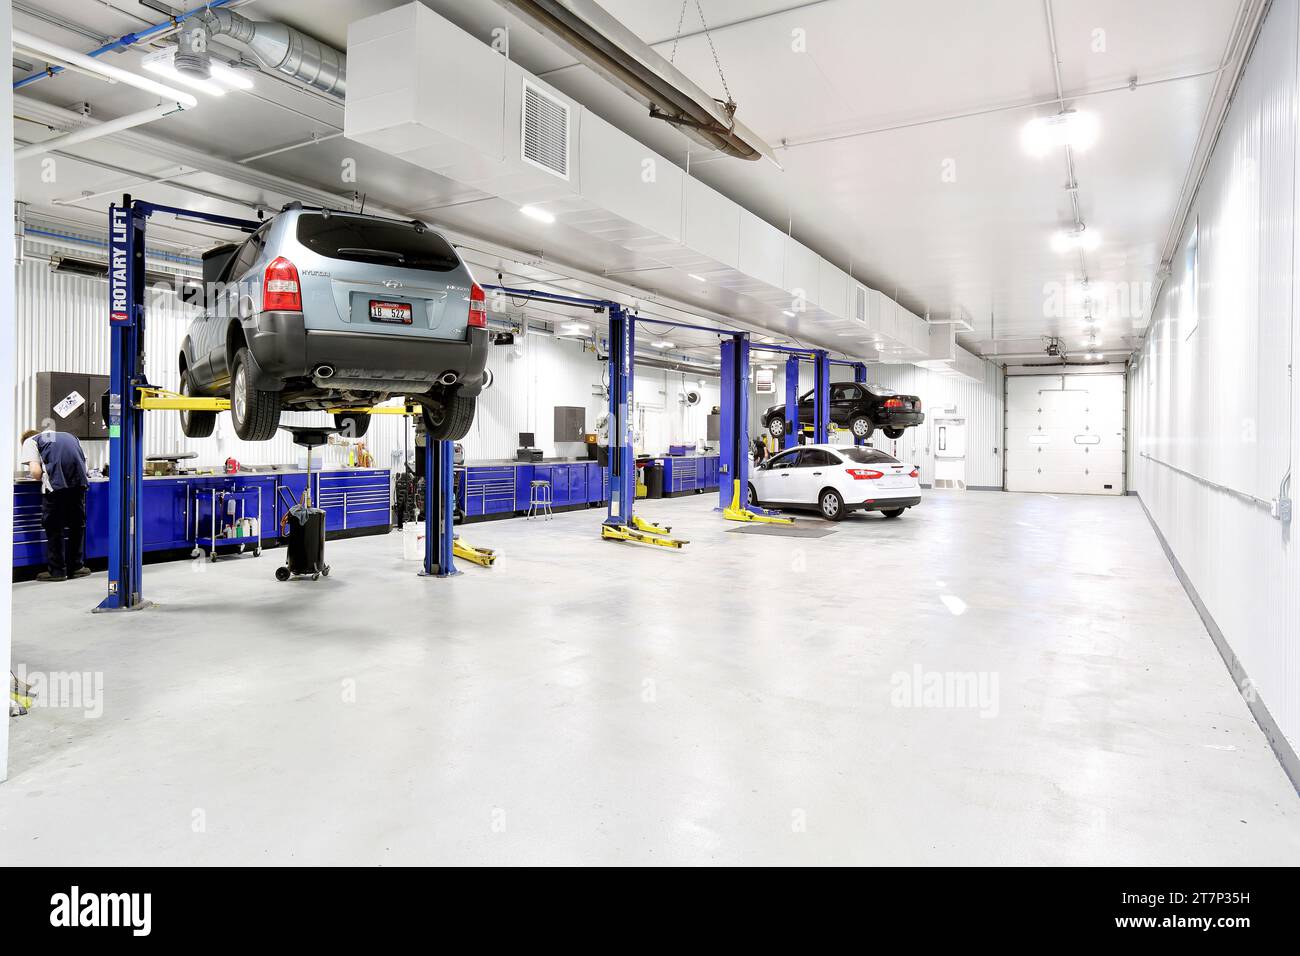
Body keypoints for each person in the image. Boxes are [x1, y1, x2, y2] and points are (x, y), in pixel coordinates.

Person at [20, 427, 90, 582]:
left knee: (54, 527)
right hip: (79, 484)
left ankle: (57, 571)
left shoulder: (30, 441)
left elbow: (36, 472)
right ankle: (77, 567)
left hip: (56, 487)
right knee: (76, 525)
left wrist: (40, 474)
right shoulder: (70, 435)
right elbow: (85, 463)